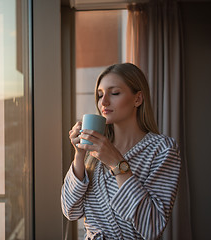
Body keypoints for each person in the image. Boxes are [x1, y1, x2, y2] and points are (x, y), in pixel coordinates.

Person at [61, 63, 181, 240]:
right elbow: (71, 210)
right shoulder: (94, 152)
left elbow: (152, 226)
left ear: (137, 99)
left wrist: (117, 163)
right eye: (100, 95)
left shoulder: (163, 149)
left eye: (114, 93)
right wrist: (79, 155)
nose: (104, 101)